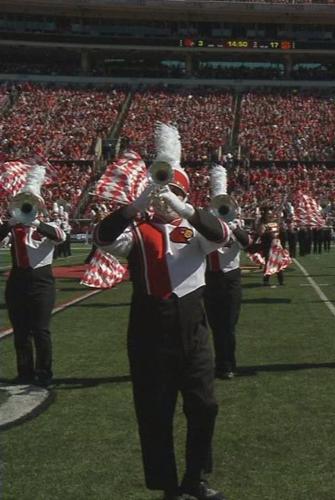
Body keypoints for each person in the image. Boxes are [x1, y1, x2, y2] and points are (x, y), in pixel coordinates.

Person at [95, 124, 228, 500]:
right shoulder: (135, 231)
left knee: (204, 404)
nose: (164, 197)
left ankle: (196, 478)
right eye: (160, 190)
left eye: (174, 190)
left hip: (193, 324)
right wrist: (135, 207)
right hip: (150, 326)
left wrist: (186, 209)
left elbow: (221, 236)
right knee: (155, 410)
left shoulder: (194, 228)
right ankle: (167, 485)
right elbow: (103, 238)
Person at [1, 164, 65, 387]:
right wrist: (10, 222)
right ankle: (25, 372)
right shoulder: (14, 227)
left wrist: (36, 222)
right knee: (20, 331)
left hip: (41, 280)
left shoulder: (47, 225)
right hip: (18, 279)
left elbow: (60, 237)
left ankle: (44, 372)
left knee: (41, 330)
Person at [204, 165, 250, 381]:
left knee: (228, 325)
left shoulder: (236, 224)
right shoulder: (204, 225)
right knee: (213, 325)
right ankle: (216, 363)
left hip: (230, 278)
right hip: (209, 278)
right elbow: (188, 239)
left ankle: (228, 364)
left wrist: (232, 225)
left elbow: (248, 243)